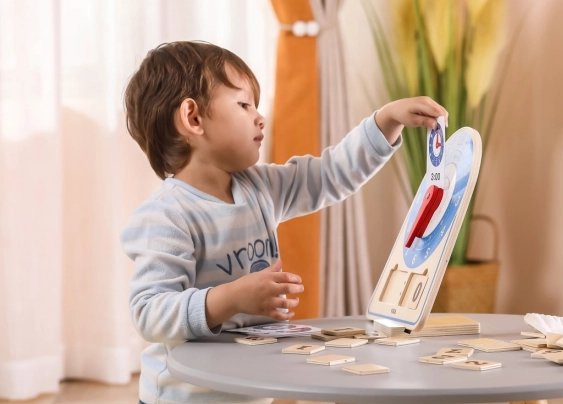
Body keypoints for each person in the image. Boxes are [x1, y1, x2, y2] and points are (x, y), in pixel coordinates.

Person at [120, 40, 448, 404]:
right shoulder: (166, 216)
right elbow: (149, 312)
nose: (260, 117)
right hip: (185, 398)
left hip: (249, 392)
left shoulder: (260, 187)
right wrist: (232, 297)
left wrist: (386, 120)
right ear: (193, 118)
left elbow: (330, 174)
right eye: (244, 105)